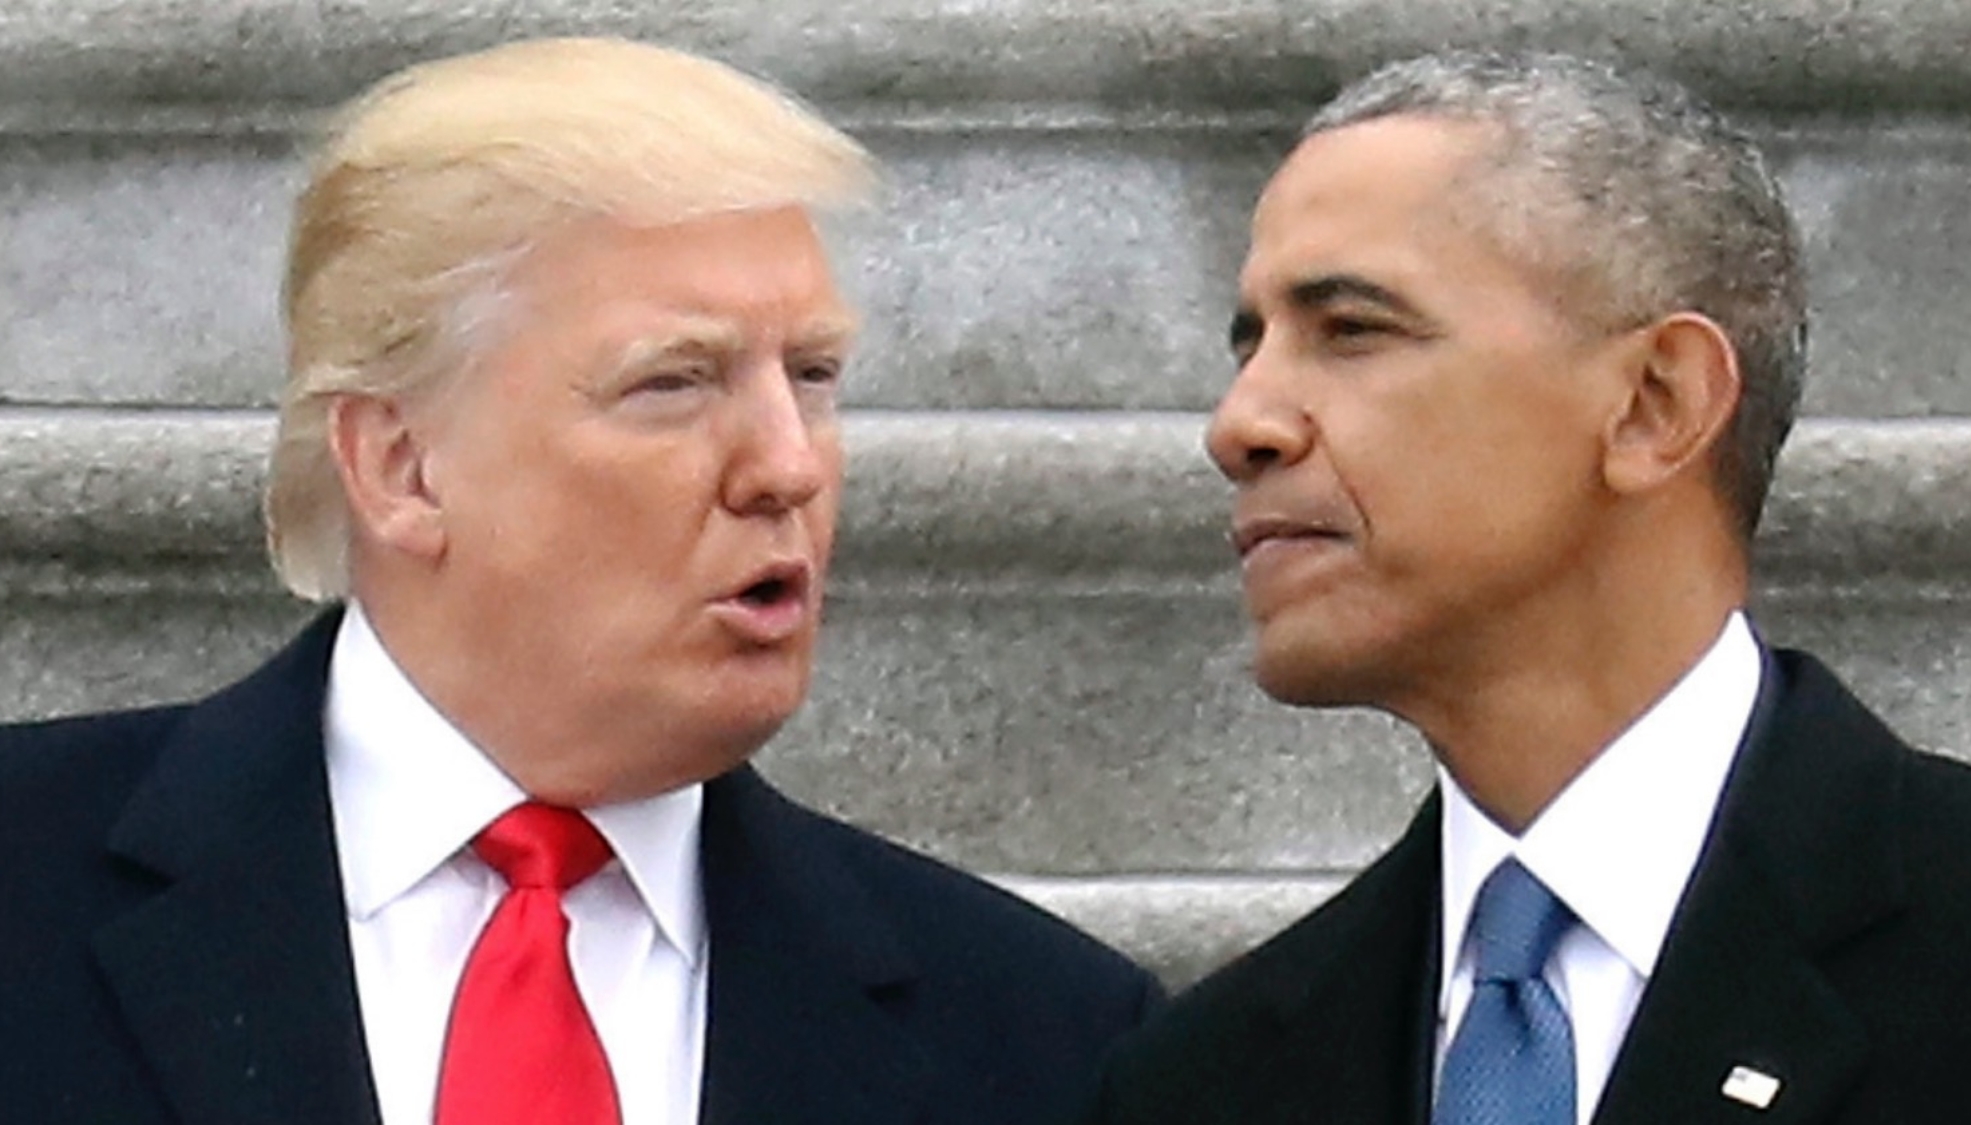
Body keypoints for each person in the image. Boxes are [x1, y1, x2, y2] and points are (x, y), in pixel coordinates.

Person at [0, 37, 1160, 1125]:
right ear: (400, 465)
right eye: (674, 382)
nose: (789, 466)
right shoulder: (31, 882)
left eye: (811, 374)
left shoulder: (1039, 1036)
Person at [1079, 50, 1971, 1125]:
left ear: (1654, 404)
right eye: (1250, 347)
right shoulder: (1203, 1079)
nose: (1240, 424)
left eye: (1351, 332)